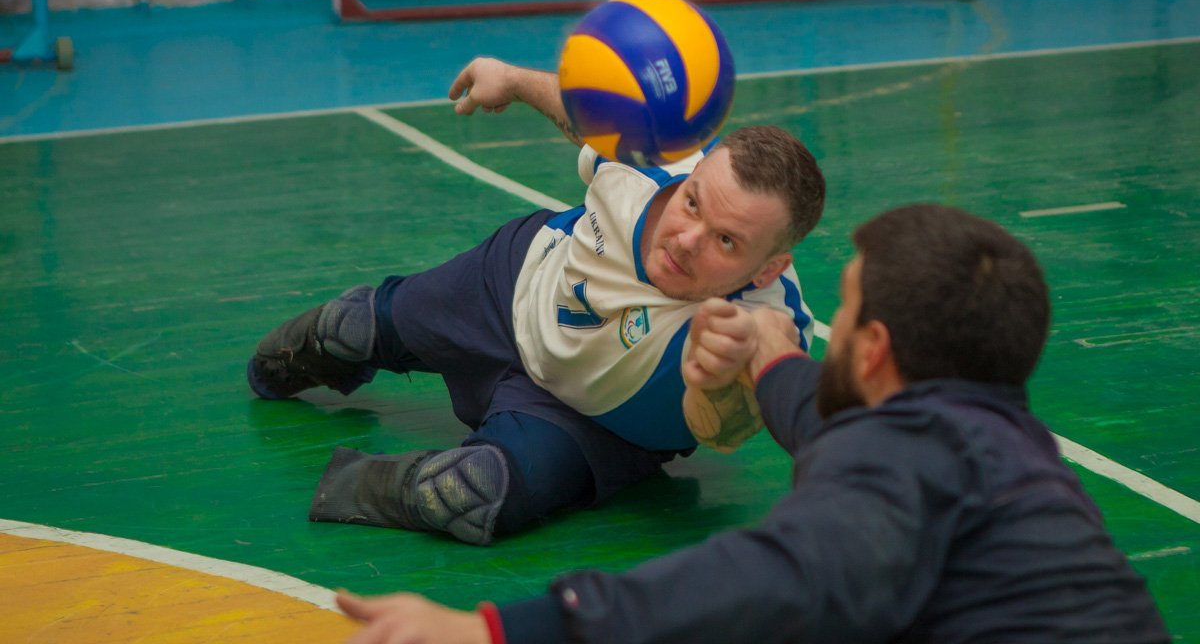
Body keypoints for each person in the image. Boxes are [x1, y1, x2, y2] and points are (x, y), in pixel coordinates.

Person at [331, 203, 1170, 643]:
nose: (823, 330)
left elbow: (776, 579)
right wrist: (771, 355)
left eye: (839, 313)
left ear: (872, 351)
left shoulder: (906, 458)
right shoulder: (1003, 453)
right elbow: (834, 425)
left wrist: (495, 631)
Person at [247, 57, 827, 546]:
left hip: (590, 423)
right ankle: (319, 356)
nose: (687, 239)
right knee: (347, 328)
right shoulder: (658, 154)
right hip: (510, 288)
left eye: (727, 241)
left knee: (467, 493)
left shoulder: (765, 328)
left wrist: (713, 377)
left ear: (770, 265)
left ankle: (352, 483)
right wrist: (515, 81)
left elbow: (721, 430)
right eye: (694, 203)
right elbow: (586, 116)